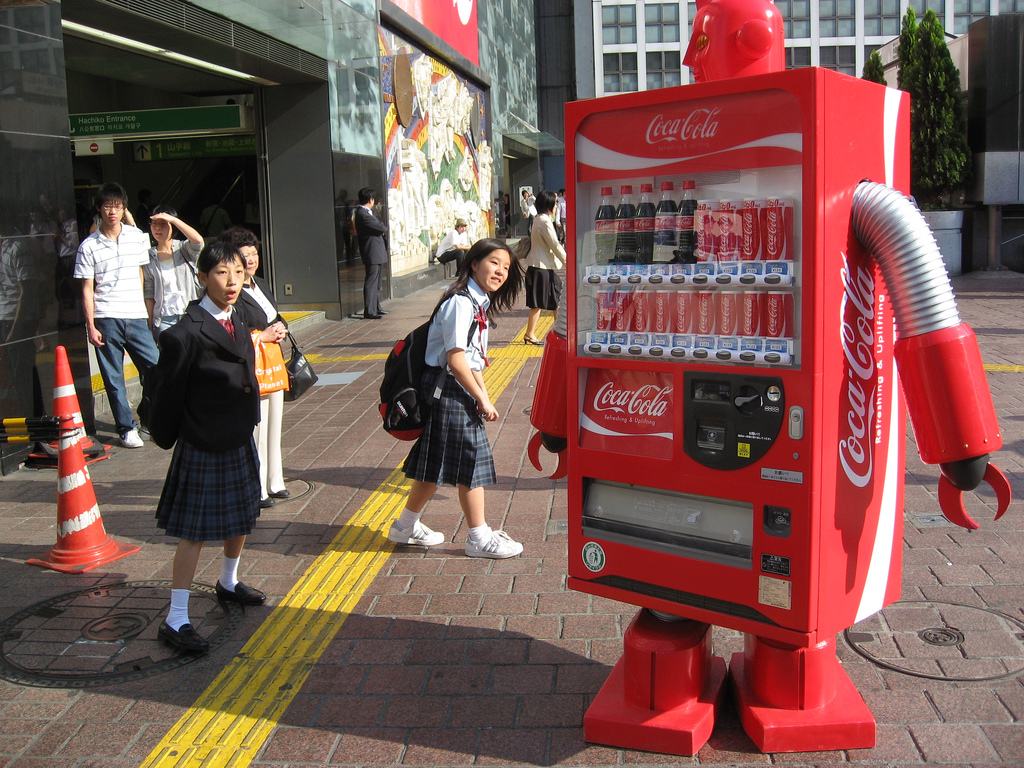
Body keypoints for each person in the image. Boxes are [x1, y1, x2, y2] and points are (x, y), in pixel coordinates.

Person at [148, 240, 265, 655]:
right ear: (201, 278)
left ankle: (228, 582)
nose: (231, 281)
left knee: (242, 516)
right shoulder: (184, 333)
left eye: (236, 271)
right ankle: (175, 617)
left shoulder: (245, 312)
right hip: (203, 440)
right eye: (220, 272)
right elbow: (166, 393)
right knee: (194, 532)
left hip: (238, 433)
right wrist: (171, 435)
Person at [388, 238, 526, 558]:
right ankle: (478, 537)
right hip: (448, 391)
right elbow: (456, 359)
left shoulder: (477, 303)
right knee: (471, 464)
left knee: (433, 467)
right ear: (474, 264)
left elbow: (472, 358)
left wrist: (483, 394)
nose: (500, 271)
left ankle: (405, 526)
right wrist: (481, 397)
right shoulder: (461, 303)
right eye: (494, 263)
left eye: (505, 267)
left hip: (454, 391)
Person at [74, 183, 160, 448]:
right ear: (99, 209)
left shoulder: (136, 237)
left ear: (124, 208)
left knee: (158, 369)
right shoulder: (88, 246)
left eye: (118, 206)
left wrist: (147, 310)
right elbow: (87, 288)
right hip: (106, 316)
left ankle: (152, 417)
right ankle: (126, 427)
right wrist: (90, 324)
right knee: (113, 378)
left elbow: (143, 274)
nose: (113, 211)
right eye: (108, 206)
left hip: (135, 315)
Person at [222, 227, 289, 509]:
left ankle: (275, 480)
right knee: (257, 426)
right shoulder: (232, 292)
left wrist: (281, 327)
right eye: (244, 254)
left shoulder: (260, 283)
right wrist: (262, 336)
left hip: (272, 362)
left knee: (275, 422)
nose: (250, 259)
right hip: (253, 364)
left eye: (254, 253)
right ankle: (256, 486)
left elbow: (274, 314)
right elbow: (232, 329)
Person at [143, 207, 204, 337]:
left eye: (163, 224)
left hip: (190, 314)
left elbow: (198, 241)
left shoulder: (183, 248)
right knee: (170, 355)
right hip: (164, 319)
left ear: (173, 226)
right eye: (154, 224)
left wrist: (173, 219)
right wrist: (149, 323)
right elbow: (149, 293)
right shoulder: (149, 256)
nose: (157, 228)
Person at [523, 190, 566, 346]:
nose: (557, 206)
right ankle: (530, 334)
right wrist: (568, 262)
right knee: (538, 304)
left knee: (556, 297)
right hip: (540, 267)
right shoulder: (544, 221)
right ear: (549, 204)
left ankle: (561, 331)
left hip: (542, 266)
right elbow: (554, 244)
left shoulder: (539, 219)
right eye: (555, 203)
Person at [354, 187, 388, 319]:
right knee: (371, 281)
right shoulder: (363, 214)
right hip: (372, 252)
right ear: (370, 200)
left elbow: (380, 227)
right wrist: (381, 227)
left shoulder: (367, 213)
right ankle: (370, 310)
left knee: (377, 282)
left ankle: (376, 307)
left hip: (377, 252)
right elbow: (381, 227)